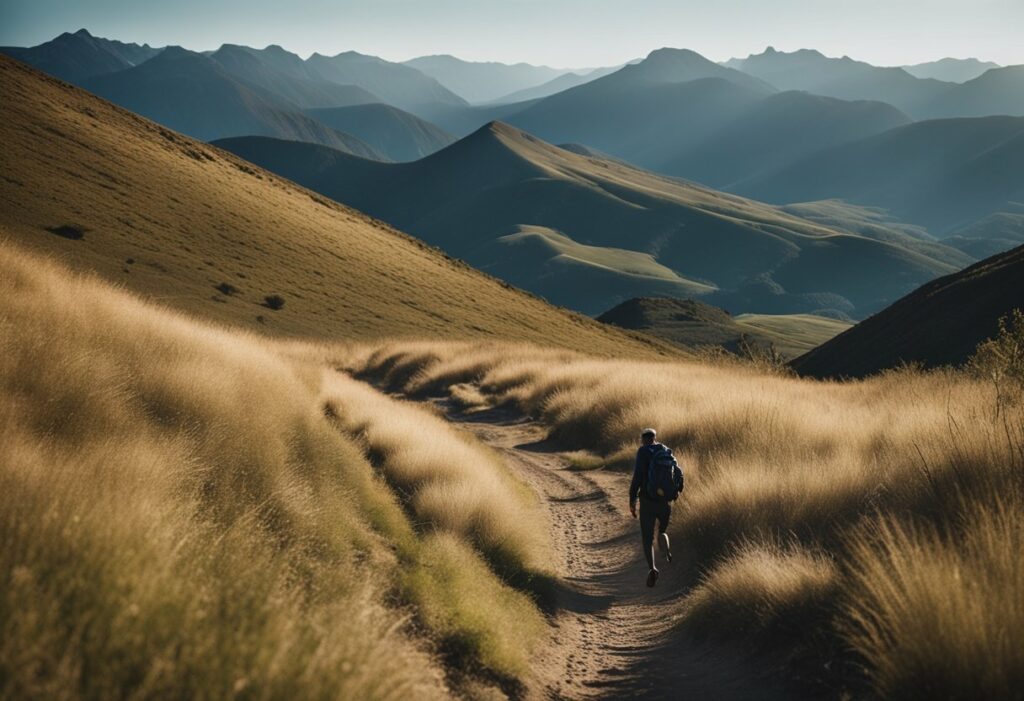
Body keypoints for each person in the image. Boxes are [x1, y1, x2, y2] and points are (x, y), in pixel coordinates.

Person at [629, 427, 683, 587]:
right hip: (665, 503)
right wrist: (675, 493)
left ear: (643, 439)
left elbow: (637, 478)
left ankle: (652, 568)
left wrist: (632, 499)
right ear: (655, 437)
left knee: (647, 539)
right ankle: (667, 551)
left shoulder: (643, 452)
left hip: (647, 502)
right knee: (662, 532)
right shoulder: (666, 451)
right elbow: (678, 475)